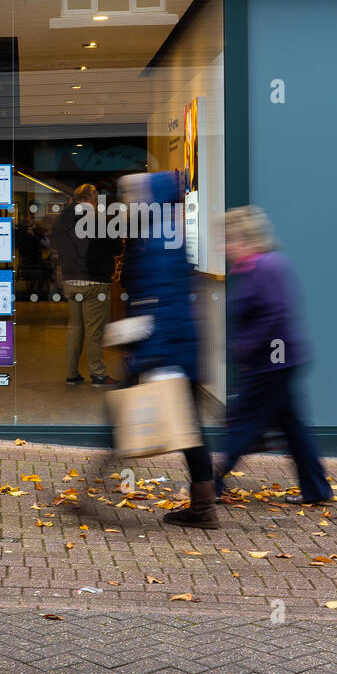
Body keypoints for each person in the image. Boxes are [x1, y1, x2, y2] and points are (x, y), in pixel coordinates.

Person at [119, 170, 219, 529]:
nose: (128, 201)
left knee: (132, 417)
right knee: (190, 428)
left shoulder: (157, 237)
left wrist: (147, 354)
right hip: (179, 346)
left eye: (134, 194)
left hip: (169, 348)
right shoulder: (165, 232)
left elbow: (158, 302)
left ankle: (204, 506)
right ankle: (204, 504)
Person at [218, 205, 331, 505]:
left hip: (271, 363)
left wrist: (248, 349)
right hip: (278, 361)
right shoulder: (262, 266)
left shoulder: (265, 268)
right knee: (293, 428)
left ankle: (210, 487)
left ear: (244, 239)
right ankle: (317, 489)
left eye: (228, 239)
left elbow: (275, 314)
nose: (224, 246)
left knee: (243, 425)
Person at [51, 183, 116, 386]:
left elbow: (55, 244)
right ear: (93, 198)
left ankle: (72, 374)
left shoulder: (62, 220)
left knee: (75, 328)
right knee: (94, 330)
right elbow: (115, 247)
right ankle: (98, 374)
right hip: (94, 281)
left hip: (70, 280)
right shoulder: (99, 219)